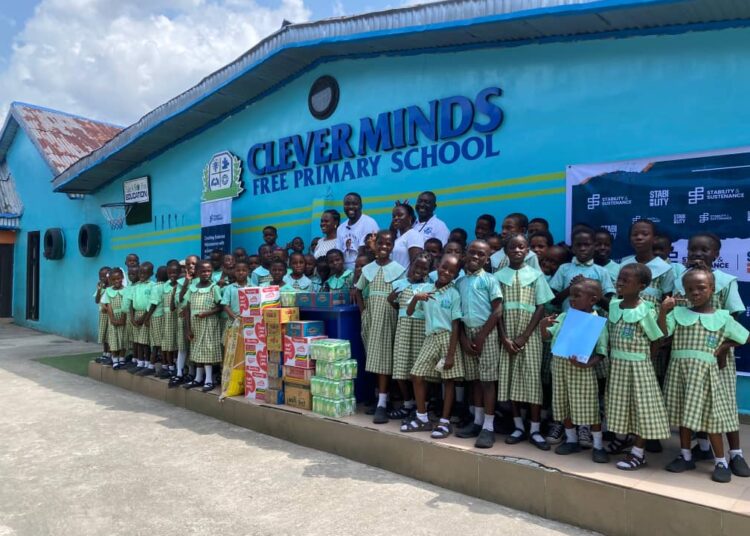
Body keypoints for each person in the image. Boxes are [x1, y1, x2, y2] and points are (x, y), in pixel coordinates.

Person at [659, 268, 749, 483]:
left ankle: (721, 461)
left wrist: (724, 346)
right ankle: (686, 455)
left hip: (706, 377)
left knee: (712, 420)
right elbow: (662, 333)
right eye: (690, 289)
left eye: (701, 288)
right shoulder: (678, 314)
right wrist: (663, 312)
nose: (695, 293)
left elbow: (745, 337)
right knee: (683, 416)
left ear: (712, 289)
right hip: (680, 374)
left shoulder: (722, 317)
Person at [676, 233, 749, 476]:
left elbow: (735, 316)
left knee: (723, 406)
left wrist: (723, 347)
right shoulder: (682, 280)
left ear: (716, 254)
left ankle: (735, 454)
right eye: (693, 249)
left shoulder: (726, 281)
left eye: (704, 250)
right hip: (689, 355)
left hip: (716, 356)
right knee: (693, 403)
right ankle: (703, 447)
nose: (698, 254)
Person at [605, 263, 669, 470]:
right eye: (619, 278)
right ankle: (622, 439)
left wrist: (645, 361)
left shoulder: (644, 310)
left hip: (639, 368)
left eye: (626, 280)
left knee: (643, 410)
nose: (620, 282)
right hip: (617, 367)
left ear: (641, 286)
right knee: (621, 406)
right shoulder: (614, 305)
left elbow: (656, 339)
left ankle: (638, 453)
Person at [540, 279, 609, 463]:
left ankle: (598, 445)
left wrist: (588, 364)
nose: (572, 299)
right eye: (571, 295)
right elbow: (547, 337)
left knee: (590, 407)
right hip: (560, 367)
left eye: (577, 296)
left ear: (593, 299)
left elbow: (602, 352)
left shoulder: (597, 322)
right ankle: (571, 439)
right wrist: (543, 327)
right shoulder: (564, 316)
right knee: (564, 404)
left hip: (582, 371)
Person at [496, 235, 554, 450]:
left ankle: (535, 429)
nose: (517, 250)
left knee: (532, 381)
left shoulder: (536, 275)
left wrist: (525, 336)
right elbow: (497, 309)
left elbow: (541, 307)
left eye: (521, 247)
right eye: (512, 247)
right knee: (511, 380)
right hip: (507, 336)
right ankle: (518, 426)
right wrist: (504, 337)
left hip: (529, 337)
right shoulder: (499, 276)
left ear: (527, 250)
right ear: (506, 251)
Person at [402, 254, 464, 438]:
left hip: (448, 339)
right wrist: (416, 298)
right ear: (437, 267)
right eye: (444, 267)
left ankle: (444, 422)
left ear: (456, 275)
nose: (446, 272)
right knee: (416, 374)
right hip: (430, 338)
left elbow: (455, 324)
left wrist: (451, 354)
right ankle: (422, 418)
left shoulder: (453, 294)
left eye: (452, 271)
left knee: (449, 380)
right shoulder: (426, 289)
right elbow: (409, 311)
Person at [454, 240, 503, 448]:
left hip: (487, 334)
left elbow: (498, 310)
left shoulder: (490, 280)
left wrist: (482, 336)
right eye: (472, 252)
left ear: (487, 258)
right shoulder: (460, 282)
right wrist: (464, 338)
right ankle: (477, 421)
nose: (475, 257)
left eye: (481, 254)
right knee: (474, 380)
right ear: (465, 254)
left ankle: (489, 427)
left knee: (488, 381)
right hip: (468, 334)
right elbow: (456, 313)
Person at [355, 230, 405, 424]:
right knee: (375, 359)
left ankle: (383, 403)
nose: (384, 246)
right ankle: (381, 399)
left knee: (385, 359)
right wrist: (364, 312)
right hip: (372, 319)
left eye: (388, 243)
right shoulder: (368, 269)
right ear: (375, 245)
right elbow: (358, 291)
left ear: (392, 247)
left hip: (388, 318)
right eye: (381, 243)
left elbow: (400, 296)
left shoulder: (399, 269)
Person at [388, 253, 431, 421]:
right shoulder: (400, 284)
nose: (419, 270)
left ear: (428, 271)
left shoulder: (429, 286)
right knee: (400, 368)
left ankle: (422, 405)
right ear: (411, 265)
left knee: (419, 371)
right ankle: (407, 404)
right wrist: (391, 300)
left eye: (424, 268)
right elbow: (393, 302)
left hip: (420, 330)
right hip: (403, 328)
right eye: (416, 266)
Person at [539, 245, 569, 446]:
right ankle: (544, 416)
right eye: (545, 260)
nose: (548, 265)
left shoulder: (562, 277)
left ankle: (559, 420)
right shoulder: (541, 279)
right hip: (542, 335)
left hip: (559, 335)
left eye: (554, 262)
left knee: (557, 379)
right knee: (544, 378)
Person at [549, 227, 615, 311]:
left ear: (594, 246)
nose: (582, 248)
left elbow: (609, 305)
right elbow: (552, 301)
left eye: (587, 245)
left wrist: (589, 289)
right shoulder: (564, 268)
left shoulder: (602, 271)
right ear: (572, 248)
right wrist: (572, 288)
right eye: (578, 245)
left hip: (593, 320)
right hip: (567, 318)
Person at [184, 260, 224, 392]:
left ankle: (208, 380)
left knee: (207, 351)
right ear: (197, 272)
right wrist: (188, 328)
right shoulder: (192, 288)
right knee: (197, 351)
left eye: (208, 271)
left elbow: (220, 306)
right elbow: (187, 308)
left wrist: (207, 313)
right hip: (195, 324)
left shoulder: (214, 288)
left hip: (209, 323)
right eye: (203, 271)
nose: (206, 273)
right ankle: (198, 378)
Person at [337, 193, 379, 270]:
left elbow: (368, 251)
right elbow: (339, 252)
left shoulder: (369, 222)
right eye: (347, 204)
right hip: (345, 273)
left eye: (354, 204)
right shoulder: (340, 228)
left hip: (364, 270)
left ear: (361, 206)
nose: (350, 207)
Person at [174, 254, 199, 385]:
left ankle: (192, 372)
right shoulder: (181, 281)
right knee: (183, 345)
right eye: (188, 264)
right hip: (183, 318)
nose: (190, 266)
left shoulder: (203, 280)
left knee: (195, 346)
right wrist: (186, 282)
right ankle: (179, 372)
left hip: (196, 317)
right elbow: (179, 298)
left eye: (193, 264)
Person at [129, 262, 156, 376]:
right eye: (140, 272)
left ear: (151, 274)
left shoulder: (152, 286)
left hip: (146, 315)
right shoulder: (135, 286)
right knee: (138, 341)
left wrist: (145, 317)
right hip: (135, 315)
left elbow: (152, 303)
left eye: (145, 273)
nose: (142, 275)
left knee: (145, 342)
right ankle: (140, 363)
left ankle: (147, 364)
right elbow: (131, 302)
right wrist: (132, 318)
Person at [101, 268, 128, 370]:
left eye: (119, 278)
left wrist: (122, 318)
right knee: (114, 340)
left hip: (124, 317)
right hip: (112, 319)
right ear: (111, 280)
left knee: (123, 339)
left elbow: (126, 305)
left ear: (122, 278)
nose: (117, 281)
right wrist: (112, 319)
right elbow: (108, 306)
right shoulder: (108, 291)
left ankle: (122, 358)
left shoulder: (126, 290)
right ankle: (115, 359)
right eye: (114, 279)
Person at [144, 265, 168, 377]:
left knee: (156, 343)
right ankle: (165, 365)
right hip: (163, 316)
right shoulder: (166, 286)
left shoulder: (156, 287)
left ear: (156, 275)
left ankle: (153, 366)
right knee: (162, 342)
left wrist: (147, 317)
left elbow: (153, 303)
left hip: (156, 317)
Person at [161, 261, 181, 386]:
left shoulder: (181, 285)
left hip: (177, 317)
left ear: (180, 273)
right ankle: (169, 367)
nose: (172, 275)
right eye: (169, 273)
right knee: (168, 342)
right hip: (167, 317)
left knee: (178, 343)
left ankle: (177, 365)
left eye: (175, 272)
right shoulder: (166, 285)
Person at [391, 201, 423, 269]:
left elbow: (416, 264)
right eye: (394, 216)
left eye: (400, 215)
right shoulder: (398, 238)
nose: (396, 218)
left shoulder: (413, 235)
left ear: (410, 218)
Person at [94, 266, 111, 364]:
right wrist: (99, 290)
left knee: (110, 335)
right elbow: (96, 301)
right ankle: (105, 354)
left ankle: (110, 354)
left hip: (110, 314)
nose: (103, 279)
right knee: (104, 334)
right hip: (103, 315)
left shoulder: (112, 288)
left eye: (105, 276)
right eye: (101, 277)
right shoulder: (101, 288)